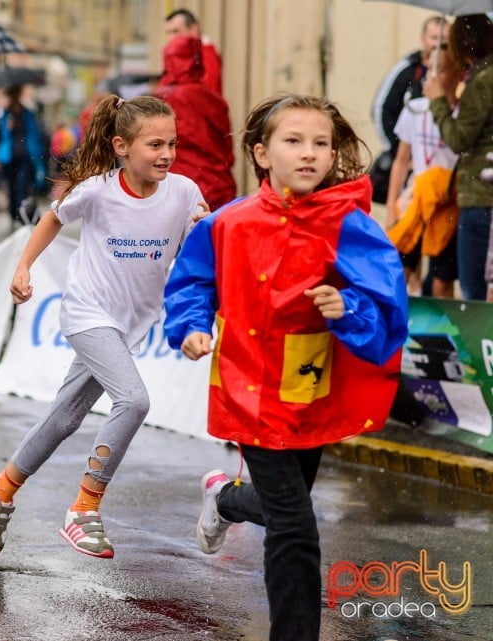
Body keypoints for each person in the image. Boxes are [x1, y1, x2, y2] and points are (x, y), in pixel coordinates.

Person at [163, 94, 408, 641]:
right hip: (247, 388)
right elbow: (192, 282)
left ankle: (225, 499)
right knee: (296, 526)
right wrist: (192, 326)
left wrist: (348, 310)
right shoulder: (229, 222)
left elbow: (387, 308)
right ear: (262, 153)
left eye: (320, 143)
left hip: (309, 390)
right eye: (293, 141)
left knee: (281, 509)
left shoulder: (349, 225)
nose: (309, 153)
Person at [0, 95, 207, 559]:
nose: (166, 154)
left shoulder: (183, 192)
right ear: (121, 146)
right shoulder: (99, 190)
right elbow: (51, 218)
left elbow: (202, 246)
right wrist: (23, 268)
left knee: (65, 417)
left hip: (131, 323)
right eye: (155, 145)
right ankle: (84, 509)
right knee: (134, 399)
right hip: (88, 313)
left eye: (173, 144)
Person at [385, 44, 464, 299]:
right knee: (402, 271)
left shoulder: (463, 113)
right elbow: (400, 160)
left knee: (441, 281)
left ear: (459, 73)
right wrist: (390, 208)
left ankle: (442, 336)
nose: (432, 78)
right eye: (429, 69)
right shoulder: (415, 109)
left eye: (440, 70)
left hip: (448, 204)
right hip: (417, 200)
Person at [424, 14, 493, 301]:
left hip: (480, 196)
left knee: (473, 288)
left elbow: (459, 139)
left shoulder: (483, 79)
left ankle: (479, 347)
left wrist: (438, 101)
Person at [154, 34, 237, 210]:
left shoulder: (162, 98)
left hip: (179, 189)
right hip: (219, 186)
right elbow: (227, 147)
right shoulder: (212, 98)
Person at [369, 15, 445, 203]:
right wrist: (398, 150)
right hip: (408, 160)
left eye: (444, 40)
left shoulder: (458, 71)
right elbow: (382, 110)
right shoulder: (407, 69)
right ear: (423, 38)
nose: (438, 44)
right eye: (434, 38)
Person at [0, 85, 47, 226]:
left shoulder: (28, 114)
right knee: (11, 187)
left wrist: (37, 157)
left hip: (25, 156)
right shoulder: (4, 114)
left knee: (22, 187)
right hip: (9, 157)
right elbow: (0, 136)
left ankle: (21, 215)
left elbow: (34, 135)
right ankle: (14, 215)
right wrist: (6, 127)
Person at [164, 9, 222, 95]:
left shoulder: (205, 52)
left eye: (176, 31)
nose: (171, 38)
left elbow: (208, 90)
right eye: (168, 32)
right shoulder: (175, 52)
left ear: (193, 29)